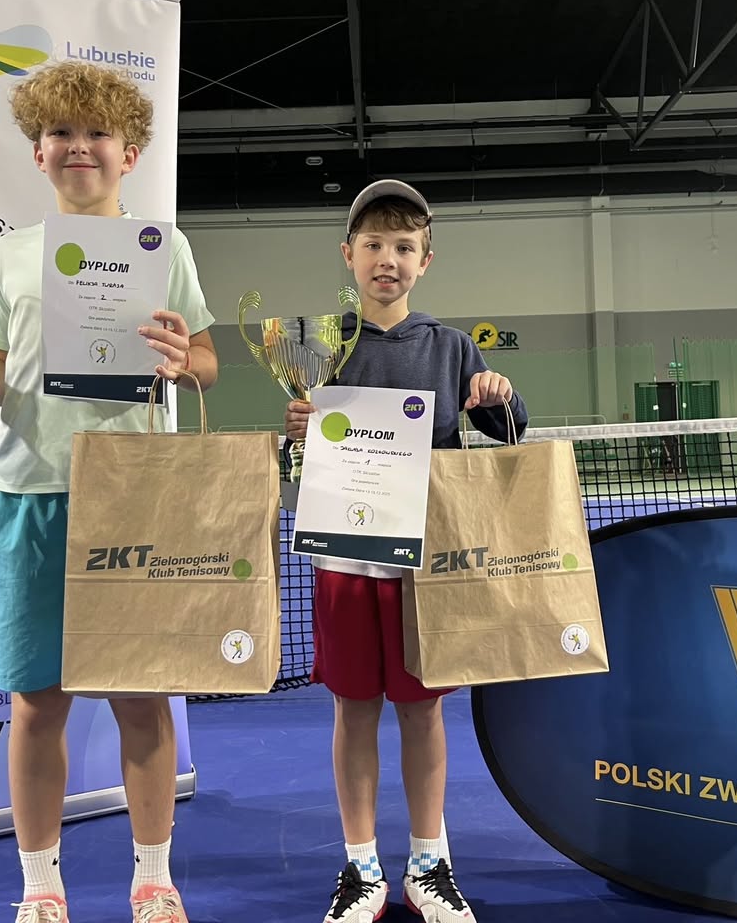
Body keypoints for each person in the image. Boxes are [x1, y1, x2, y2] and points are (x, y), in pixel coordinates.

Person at [0, 60, 217, 923]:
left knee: (140, 695)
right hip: (31, 496)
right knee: (37, 704)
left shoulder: (165, 248)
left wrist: (180, 358)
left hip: (137, 497)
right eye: (61, 133)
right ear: (38, 152)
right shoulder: (7, 256)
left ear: (130, 153)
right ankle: (40, 887)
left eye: (97, 134)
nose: (79, 147)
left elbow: (205, 363)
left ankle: (152, 879)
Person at [284, 180, 528, 923]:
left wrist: (499, 394)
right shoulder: (319, 348)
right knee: (354, 709)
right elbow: (300, 455)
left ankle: (429, 864)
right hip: (344, 562)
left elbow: (508, 432)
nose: (386, 258)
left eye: (402, 246)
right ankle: (361, 867)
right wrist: (296, 431)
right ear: (347, 255)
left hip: (426, 567)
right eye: (372, 244)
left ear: (425, 260)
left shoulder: (452, 347)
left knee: (422, 714)